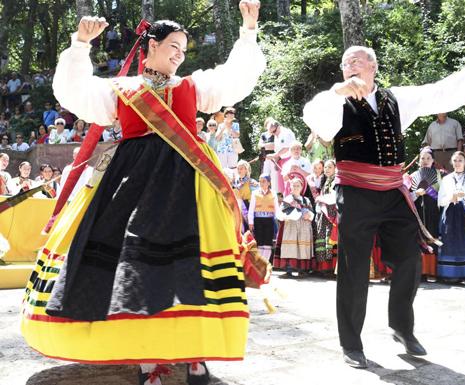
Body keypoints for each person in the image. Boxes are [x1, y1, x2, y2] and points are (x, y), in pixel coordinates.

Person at [21, 5, 265, 385]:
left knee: (192, 268)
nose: (178, 55)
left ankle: (195, 354)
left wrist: (248, 29)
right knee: (138, 272)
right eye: (172, 46)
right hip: (132, 185)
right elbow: (74, 92)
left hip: (190, 185)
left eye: (183, 49)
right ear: (150, 46)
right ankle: (150, 362)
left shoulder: (192, 87)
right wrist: (80, 44)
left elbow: (236, 78)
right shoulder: (120, 90)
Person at [302, 42, 465, 368]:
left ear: (373, 67)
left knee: (410, 259)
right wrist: (338, 91)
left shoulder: (396, 98)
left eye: (356, 61)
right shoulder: (335, 102)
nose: (350, 66)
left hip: (394, 191)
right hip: (355, 192)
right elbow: (314, 116)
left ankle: (401, 327)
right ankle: (351, 344)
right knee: (354, 269)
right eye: (345, 63)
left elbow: (440, 92)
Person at [437, 151, 465, 282]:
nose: (457, 163)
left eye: (460, 160)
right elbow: (440, 201)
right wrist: (451, 197)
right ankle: (451, 274)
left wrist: (464, 195)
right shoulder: (446, 179)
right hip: (450, 214)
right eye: (455, 160)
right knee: (450, 242)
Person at [410, 147, 442, 282]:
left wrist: (429, 191)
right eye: (422, 158)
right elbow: (407, 197)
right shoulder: (412, 176)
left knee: (431, 236)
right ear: (419, 161)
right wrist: (416, 193)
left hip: (432, 210)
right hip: (417, 211)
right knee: (418, 238)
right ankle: (420, 271)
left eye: (428, 158)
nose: (425, 161)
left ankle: (432, 271)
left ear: (433, 160)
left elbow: (442, 194)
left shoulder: (439, 175)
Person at [274, 176, 314, 277]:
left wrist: (309, 215)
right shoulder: (287, 199)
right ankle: (289, 270)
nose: (296, 187)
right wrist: (285, 217)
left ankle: (302, 270)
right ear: (290, 186)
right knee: (290, 247)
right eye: (294, 185)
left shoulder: (306, 200)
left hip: (304, 227)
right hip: (291, 226)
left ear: (302, 187)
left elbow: (312, 213)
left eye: (298, 185)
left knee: (302, 248)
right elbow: (280, 213)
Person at [313, 159, 337, 274]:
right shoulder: (326, 180)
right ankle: (323, 268)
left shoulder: (335, 181)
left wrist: (320, 198)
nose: (327, 169)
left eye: (330, 167)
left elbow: (334, 198)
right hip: (323, 214)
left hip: (331, 214)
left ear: (335, 168)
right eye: (326, 167)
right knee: (322, 239)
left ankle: (331, 268)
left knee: (330, 238)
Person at [247, 174, 279, 260]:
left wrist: (280, 219)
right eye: (260, 181)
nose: (261, 183)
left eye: (264, 181)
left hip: (269, 220)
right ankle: (260, 262)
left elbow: (277, 208)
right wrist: (251, 222)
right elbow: (251, 209)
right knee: (259, 242)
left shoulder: (273, 194)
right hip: (258, 220)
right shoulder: (255, 193)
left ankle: (265, 262)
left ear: (269, 183)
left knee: (268, 242)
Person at [266, 120, 296, 193]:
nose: (273, 134)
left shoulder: (286, 133)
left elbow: (286, 148)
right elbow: (277, 150)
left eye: (274, 131)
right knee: (281, 184)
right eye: (272, 132)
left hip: (290, 160)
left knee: (289, 183)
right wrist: (276, 161)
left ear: (278, 126)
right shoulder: (277, 134)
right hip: (282, 161)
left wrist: (274, 155)